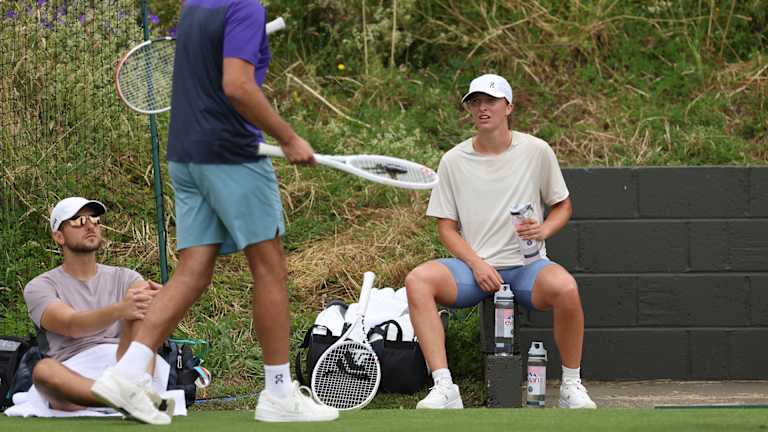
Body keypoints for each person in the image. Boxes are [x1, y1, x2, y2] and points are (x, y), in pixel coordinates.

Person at [90, 0, 338, 424]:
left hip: (185, 155)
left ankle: (127, 374)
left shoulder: (195, 7)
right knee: (270, 268)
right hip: (230, 154)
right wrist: (289, 136)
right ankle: (278, 393)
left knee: (193, 271)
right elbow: (237, 86)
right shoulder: (245, 7)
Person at [405, 74, 597, 410]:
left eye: (490, 101)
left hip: (527, 268)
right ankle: (444, 387)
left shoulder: (537, 151)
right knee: (417, 280)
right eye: (475, 102)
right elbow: (446, 227)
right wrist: (477, 264)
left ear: (508, 107)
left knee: (567, 288)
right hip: (473, 270)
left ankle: (571, 386)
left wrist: (544, 231)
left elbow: (562, 205)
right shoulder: (453, 160)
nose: (481, 108)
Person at [18, 197, 175, 414]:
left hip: (127, 365)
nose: (90, 224)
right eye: (78, 220)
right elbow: (71, 324)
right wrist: (120, 309)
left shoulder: (126, 277)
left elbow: (154, 318)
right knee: (43, 371)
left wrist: (163, 301)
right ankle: (128, 399)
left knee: (142, 309)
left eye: (94, 219)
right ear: (59, 236)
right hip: (75, 375)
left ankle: (140, 389)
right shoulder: (40, 286)